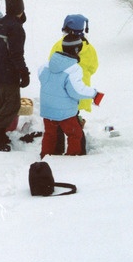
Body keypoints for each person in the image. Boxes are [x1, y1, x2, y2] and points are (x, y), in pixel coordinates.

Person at [38, 34, 105, 157]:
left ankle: (46, 156)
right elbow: (77, 91)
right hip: (65, 112)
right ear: (76, 50)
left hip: (47, 109)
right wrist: (94, 94)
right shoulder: (73, 69)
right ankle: (74, 158)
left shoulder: (46, 65)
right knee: (75, 134)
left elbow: (41, 76)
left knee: (50, 134)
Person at [0, 0, 29, 152]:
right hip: (8, 72)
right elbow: (16, 54)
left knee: (0, 102)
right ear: (21, 9)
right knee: (12, 105)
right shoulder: (16, 28)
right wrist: (24, 72)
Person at [49, 14, 99, 153]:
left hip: (61, 92)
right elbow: (94, 67)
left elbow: (51, 64)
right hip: (79, 92)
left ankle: (57, 149)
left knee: (59, 123)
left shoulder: (60, 45)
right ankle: (78, 149)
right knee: (73, 123)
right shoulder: (89, 48)